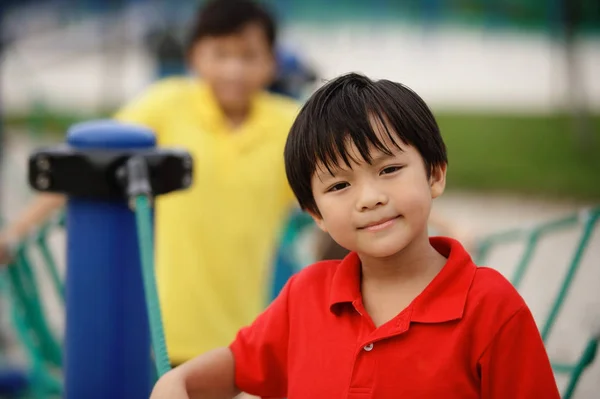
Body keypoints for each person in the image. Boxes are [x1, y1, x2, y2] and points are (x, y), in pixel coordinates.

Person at [148, 73, 560, 398]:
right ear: (316, 214)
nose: (370, 198)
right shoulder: (305, 296)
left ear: (434, 174)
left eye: (389, 170)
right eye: (339, 186)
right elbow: (237, 366)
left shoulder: (490, 308)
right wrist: (176, 382)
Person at [0, 0, 299, 366]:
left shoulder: (288, 125)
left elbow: (327, 198)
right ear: (195, 57)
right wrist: (15, 233)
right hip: (157, 327)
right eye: (220, 54)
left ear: (271, 62)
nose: (233, 69)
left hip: (240, 332)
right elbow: (88, 167)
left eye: (248, 56)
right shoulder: (168, 103)